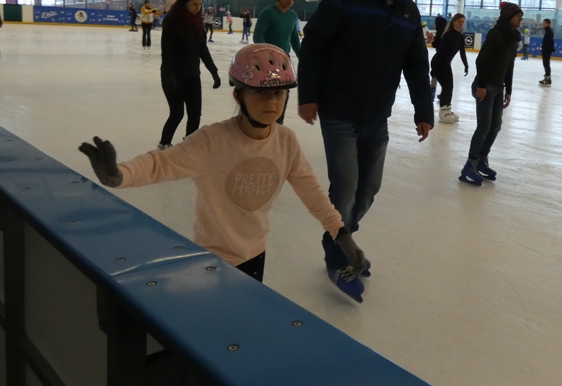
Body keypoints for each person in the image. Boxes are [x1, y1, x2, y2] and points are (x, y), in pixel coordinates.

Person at [79, 44, 369, 302]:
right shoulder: (212, 141)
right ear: (238, 95)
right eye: (260, 93)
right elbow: (160, 164)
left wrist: (341, 234)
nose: (271, 102)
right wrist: (120, 174)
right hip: (210, 258)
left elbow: (312, 193)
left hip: (255, 254)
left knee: (243, 323)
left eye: (279, 93)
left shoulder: (286, 142)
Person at [298, 0, 433, 250]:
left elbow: (416, 64)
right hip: (339, 111)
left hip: (377, 116)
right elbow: (314, 44)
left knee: (369, 189)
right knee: (344, 189)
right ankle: (339, 248)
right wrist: (309, 95)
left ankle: (343, 234)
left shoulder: (408, 11)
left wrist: (424, 111)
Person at [459, 2, 521, 185]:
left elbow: (509, 66)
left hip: (498, 87)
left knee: (495, 126)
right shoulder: (496, 34)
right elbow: (481, 61)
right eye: (517, 15)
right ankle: (470, 165)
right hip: (484, 86)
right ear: (508, 17)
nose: (520, 19)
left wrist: (508, 90)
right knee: (484, 126)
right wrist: (482, 85)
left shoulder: (512, 38)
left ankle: (481, 160)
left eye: (521, 16)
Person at [158, 0, 221, 150]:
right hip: (174, 75)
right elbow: (166, 51)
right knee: (177, 113)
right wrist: (169, 76)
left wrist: (214, 72)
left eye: (200, 4)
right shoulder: (172, 20)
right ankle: (164, 144)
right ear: (185, 3)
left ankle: (189, 147)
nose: (197, 8)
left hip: (192, 75)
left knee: (195, 114)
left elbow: (202, 50)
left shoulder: (197, 22)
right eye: (194, 4)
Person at [253, 0, 304, 124]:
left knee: (283, 93)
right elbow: (258, 35)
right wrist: (266, 55)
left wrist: (302, 57)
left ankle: (278, 123)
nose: (290, 0)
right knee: (266, 93)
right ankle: (262, 123)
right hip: (267, 62)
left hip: (283, 62)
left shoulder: (292, 16)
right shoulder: (268, 13)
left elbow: (294, 38)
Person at [431, 13, 469, 123]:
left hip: (446, 64)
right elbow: (440, 53)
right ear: (453, 22)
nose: (461, 24)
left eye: (463, 22)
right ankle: (443, 112)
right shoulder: (447, 35)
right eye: (459, 22)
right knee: (447, 87)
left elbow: (462, 52)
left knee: (449, 87)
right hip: (438, 63)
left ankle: (447, 109)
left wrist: (466, 65)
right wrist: (433, 70)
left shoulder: (460, 36)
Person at [539, 18, 554, 86]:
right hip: (546, 50)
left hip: (547, 51)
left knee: (546, 64)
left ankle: (548, 79)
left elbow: (550, 41)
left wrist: (551, 49)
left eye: (544, 23)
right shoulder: (547, 31)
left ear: (547, 24)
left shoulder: (549, 31)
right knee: (545, 64)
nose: (543, 24)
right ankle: (547, 78)